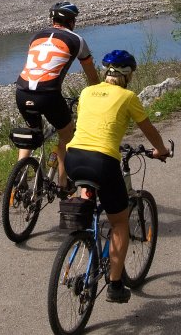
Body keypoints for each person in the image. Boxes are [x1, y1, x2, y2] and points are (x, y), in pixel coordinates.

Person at [64, 49, 170, 304]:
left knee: (87, 203)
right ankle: (114, 284)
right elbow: (149, 129)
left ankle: (81, 240)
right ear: (128, 75)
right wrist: (161, 150)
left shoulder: (87, 92)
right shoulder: (128, 96)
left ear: (105, 72)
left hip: (74, 158)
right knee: (120, 223)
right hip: (103, 162)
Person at [14, 1, 100, 190]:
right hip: (48, 95)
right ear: (71, 22)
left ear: (53, 20)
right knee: (67, 133)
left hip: (21, 91)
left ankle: (19, 175)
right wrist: (97, 93)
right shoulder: (77, 40)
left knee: (32, 132)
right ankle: (63, 181)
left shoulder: (36, 37)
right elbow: (91, 74)